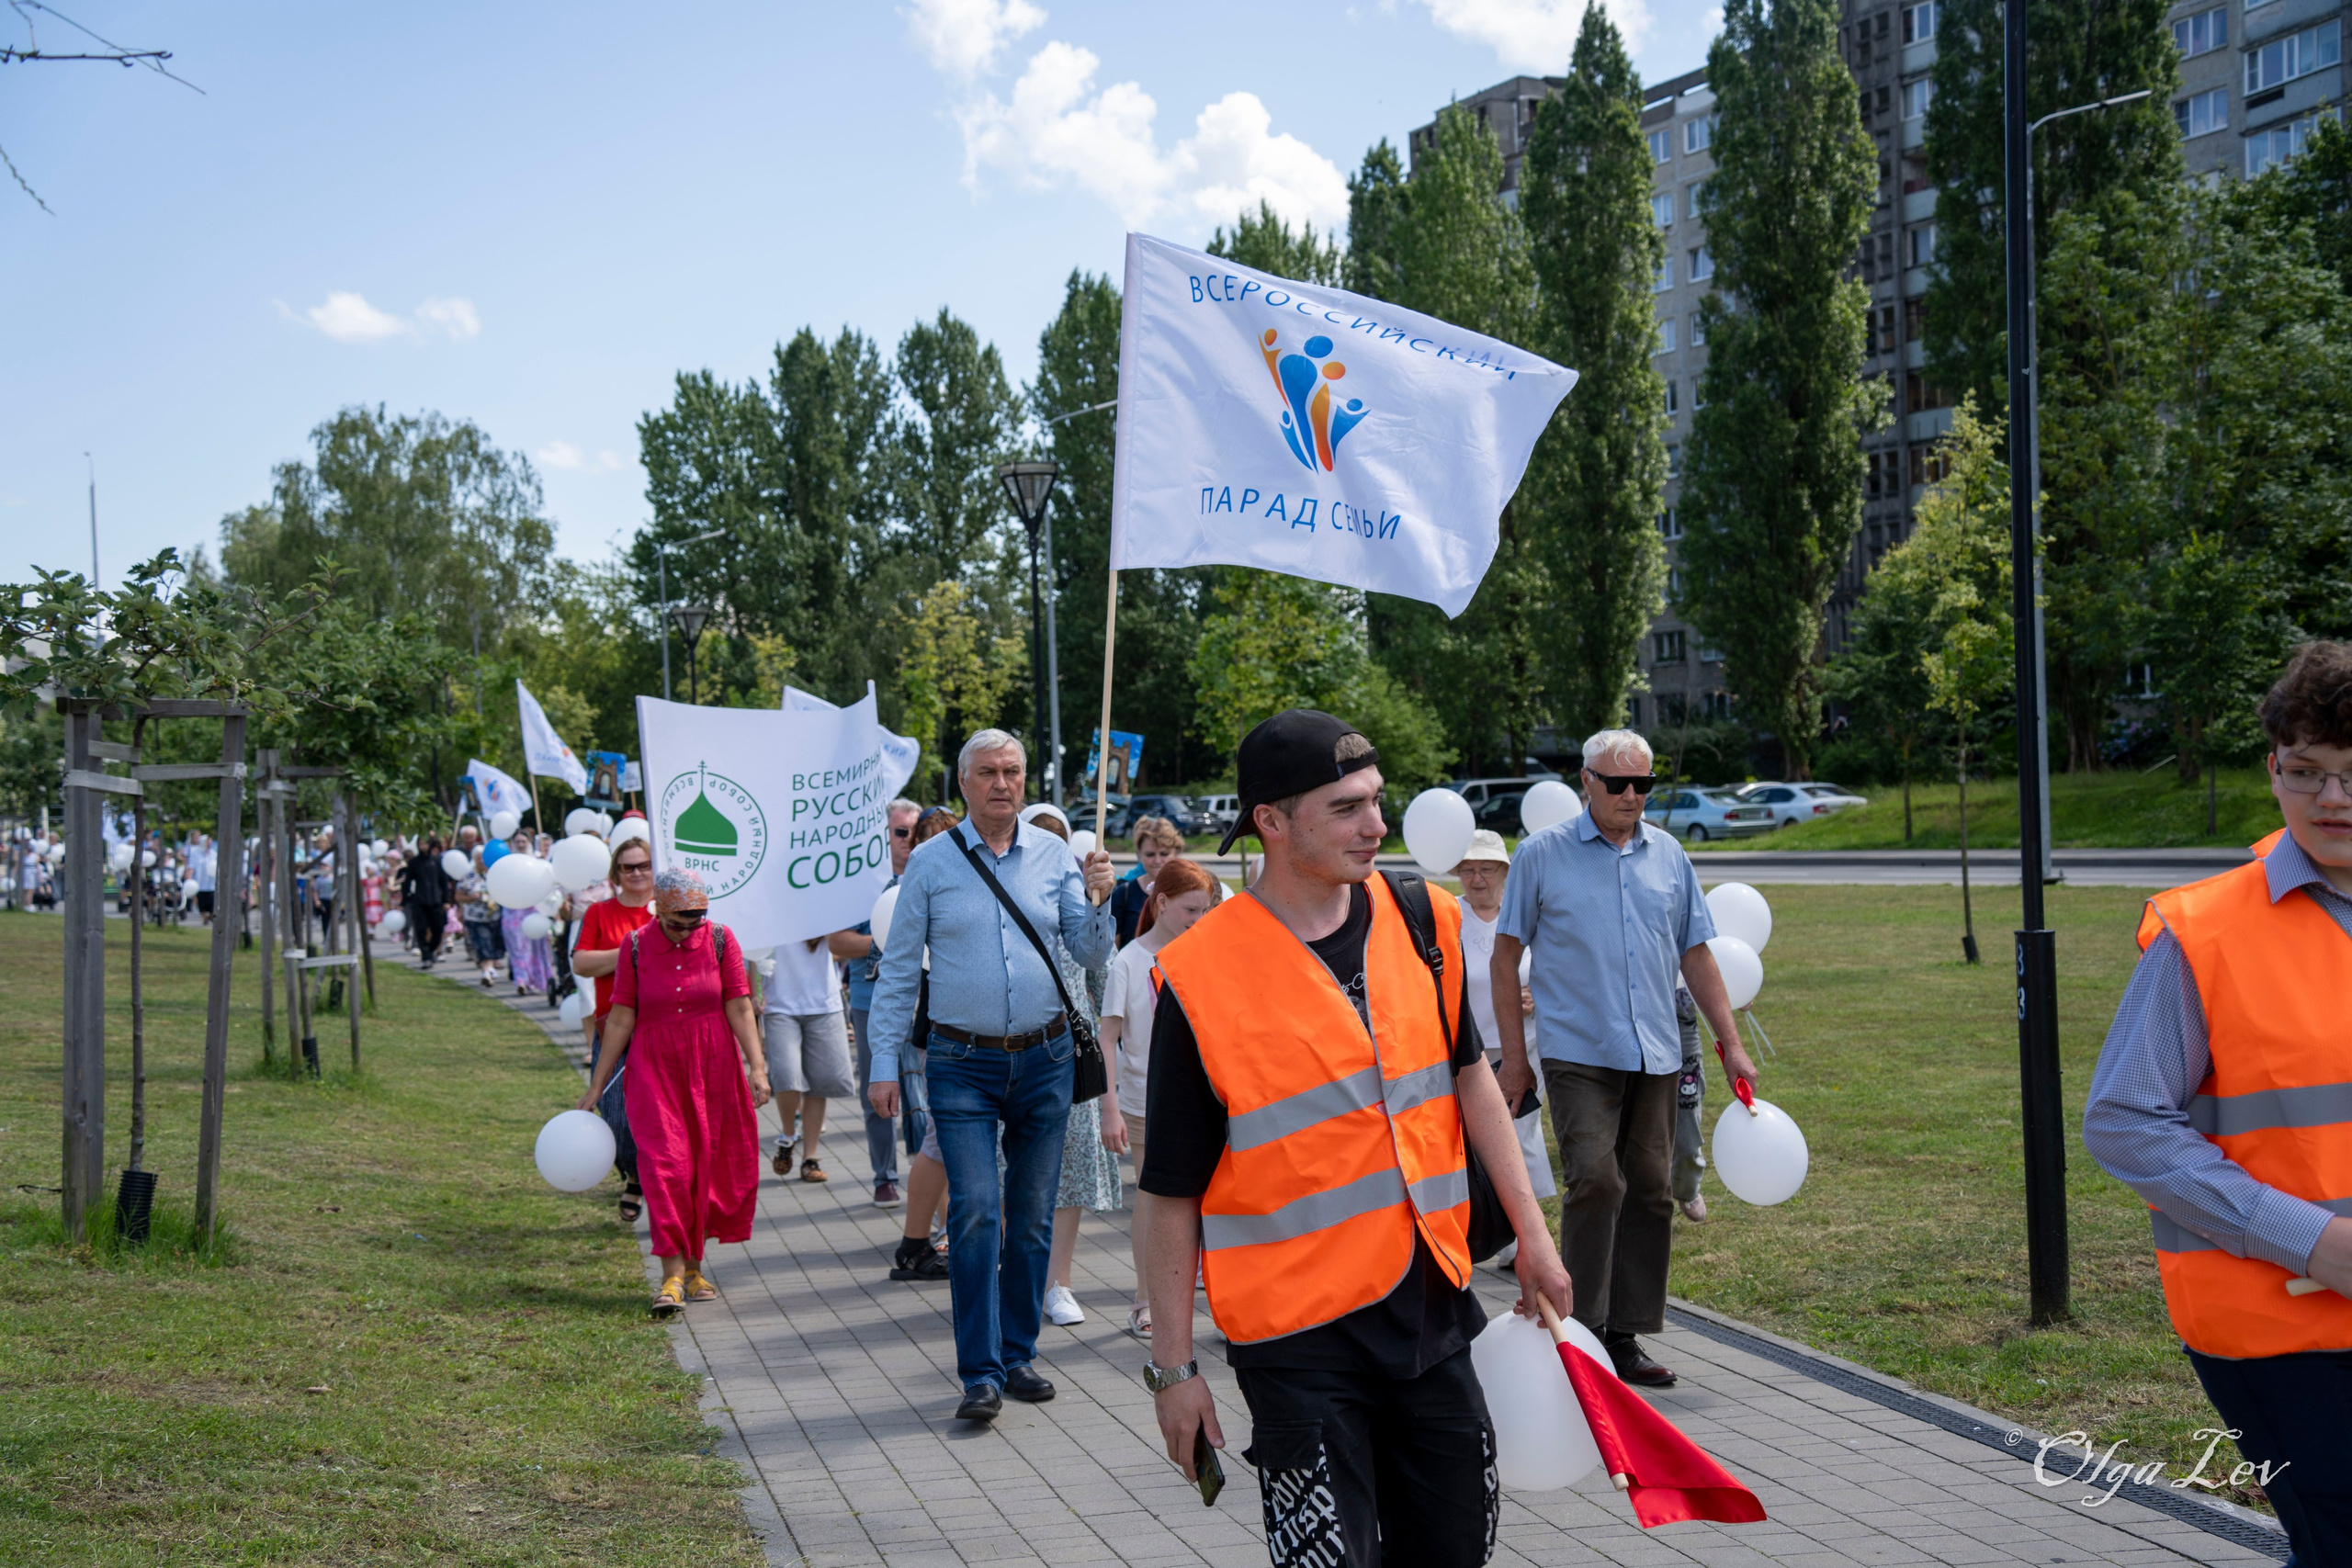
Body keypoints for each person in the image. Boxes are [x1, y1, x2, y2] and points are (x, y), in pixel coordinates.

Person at [1142, 709, 1570, 1568]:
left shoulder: (1421, 918)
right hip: (1296, 1341)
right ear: (1271, 820)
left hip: (1433, 1311)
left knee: (1456, 1551)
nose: (1378, 824)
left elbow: (1470, 1076)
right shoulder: (1198, 975)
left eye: (1377, 800)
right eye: (1346, 807)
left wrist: (1533, 1232)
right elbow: (1170, 1190)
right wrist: (1173, 1370)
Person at [2083, 640, 2352, 1567]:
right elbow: (2124, 1123)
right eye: (2305, 772)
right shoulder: (2205, 933)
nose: (2329, 800)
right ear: (2272, 770)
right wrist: (2316, 1243)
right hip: (2280, 1326)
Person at [1490, 728, 1758, 1390]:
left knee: (1649, 1187)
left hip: (1658, 1050)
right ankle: (1576, 1334)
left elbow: (1697, 952)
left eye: (1644, 784)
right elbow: (1504, 957)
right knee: (1596, 1181)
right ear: (1587, 781)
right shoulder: (1542, 855)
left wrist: (1732, 1043)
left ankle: (1623, 1336)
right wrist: (1516, 1059)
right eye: (1618, 783)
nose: (1632, 795)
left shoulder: (1668, 855)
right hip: (1579, 1049)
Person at [865, 731, 1116, 1423]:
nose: (1002, 783)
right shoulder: (932, 864)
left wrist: (1100, 900)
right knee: (976, 1209)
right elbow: (895, 970)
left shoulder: (1056, 857)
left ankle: (1017, 1353)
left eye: (1012, 771)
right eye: (987, 772)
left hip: (1046, 1059)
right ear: (965, 782)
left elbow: (1091, 952)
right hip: (960, 1063)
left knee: (1031, 1216)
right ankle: (979, 1371)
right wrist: (884, 1062)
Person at [578, 868, 769, 1317]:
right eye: (678, 922)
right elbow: (622, 1016)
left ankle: (695, 1267)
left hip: (713, 1065)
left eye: (695, 921)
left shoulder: (721, 939)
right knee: (666, 1167)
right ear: (659, 911)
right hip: (654, 1069)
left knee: (706, 1165)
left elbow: (740, 1005)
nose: (687, 930)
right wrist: (594, 1087)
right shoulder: (637, 945)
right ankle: (671, 1276)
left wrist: (757, 1068)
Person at [1098, 854, 1217, 1339]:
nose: (1199, 920)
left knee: (1210, 1196)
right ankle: (1146, 1301)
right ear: (1162, 903)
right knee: (1152, 1199)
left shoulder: (1207, 951)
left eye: (1206, 910)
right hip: (1146, 1099)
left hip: (1205, 1095)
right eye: (1191, 910)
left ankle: (1218, 1292)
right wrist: (1109, 1108)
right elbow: (1108, 1038)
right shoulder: (1128, 960)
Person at [1021, 807, 1125, 1331]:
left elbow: (1104, 989)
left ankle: (1057, 1281)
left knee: (1070, 1173)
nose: (1045, 845)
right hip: (1011, 1053)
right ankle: (1016, 1275)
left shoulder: (1084, 908)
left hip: (1069, 1056)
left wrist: (1099, 908)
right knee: (1011, 1173)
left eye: (1055, 839)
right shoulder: (1008, 901)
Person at [1451, 829, 1557, 1268]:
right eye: (1468, 869)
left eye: (1487, 869)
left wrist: (1536, 995)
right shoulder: (1449, 917)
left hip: (1524, 1047)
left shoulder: (1527, 914)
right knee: (1481, 1144)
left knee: (1520, 1137)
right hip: (1469, 1055)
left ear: (1506, 872)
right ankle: (1498, 1234)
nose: (1477, 879)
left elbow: (1557, 971)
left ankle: (1522, 1244)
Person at [880, 804, 967, 1281]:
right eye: (929, 838)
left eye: (948, 836)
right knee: (940, 1138)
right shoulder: (917, 885)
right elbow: (898, 970)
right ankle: (921, 1243)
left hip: (964, 1032)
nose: (941, 847)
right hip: (941, 1033)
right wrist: (882, 1069)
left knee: (948, 1139)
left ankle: (940, 1235)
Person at [828, 796, 923, 1209]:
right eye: (901, 833)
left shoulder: (931, 873)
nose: (909, 841)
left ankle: (926, 1171)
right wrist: (890, 940)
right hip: (873, 1003)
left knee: (924, 1096)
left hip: (928, 1004)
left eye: (915, 833)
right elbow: (837, 942)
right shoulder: (861, 883)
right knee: (879, 1090)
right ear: (884, 836)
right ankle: (884, 1176)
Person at [573, 835, 658, 1224]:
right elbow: (582, 963)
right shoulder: (599, 913)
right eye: (628, 867)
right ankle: (635, 1172)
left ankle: (648, 1182)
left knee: (660, 1115)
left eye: (643, 865)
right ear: (616, 873)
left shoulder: (668, 909)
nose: (637, 873)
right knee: (615, 1115)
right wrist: (632, 947)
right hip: (614, 1029)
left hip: (663, 1028)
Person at [763, 931, 855, 1184]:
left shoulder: (819, 898)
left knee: (819, 1083)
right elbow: (752, 948)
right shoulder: (766, 901)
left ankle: (809, 1157)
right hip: (778, 1003)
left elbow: (840, 945)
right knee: (787, 1076)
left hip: (824, 1003)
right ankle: (789, 1135)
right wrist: (752, 990)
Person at [1111, 815, 1184, 947]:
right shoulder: (1124, 893)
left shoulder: (1188, 890)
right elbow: (1113, 948)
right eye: (1150, 854)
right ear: (1139, 853)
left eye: (1164, 854)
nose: (1157, 861)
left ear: (1176, 852)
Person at [501, 830, 554, 998]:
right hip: (513, 911)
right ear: (513, 844)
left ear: (529, 842)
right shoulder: (507, 863)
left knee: (538, 948)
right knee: (518, 948)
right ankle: (521, 981)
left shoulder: (538, 861)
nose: (521, 844)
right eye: (517, 842)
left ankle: (539, 980)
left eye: (523, 841)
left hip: (534, 910)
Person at [399, 837, 453, 968]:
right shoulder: (414, 862)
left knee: (438, 929)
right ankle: (426, 956)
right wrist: (404, 900)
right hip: (420, 901)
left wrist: (446, 900)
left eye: (425, 844)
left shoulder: (436, 861)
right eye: (421, 844)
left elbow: (443, 883)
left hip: (436, 901)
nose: (423, 847)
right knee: (421, 930)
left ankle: (431, 950)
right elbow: (407, 883)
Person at [455, 846, 504, 987]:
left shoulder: (495, 874)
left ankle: (489, 969)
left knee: (493, 945)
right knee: (483, 944)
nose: (481, 861)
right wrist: (470, 898)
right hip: (475, 918)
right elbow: (458, 896)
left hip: (495, 916)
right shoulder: (467, 876)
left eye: (484, 858)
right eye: (478, 859)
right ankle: (486, 972)